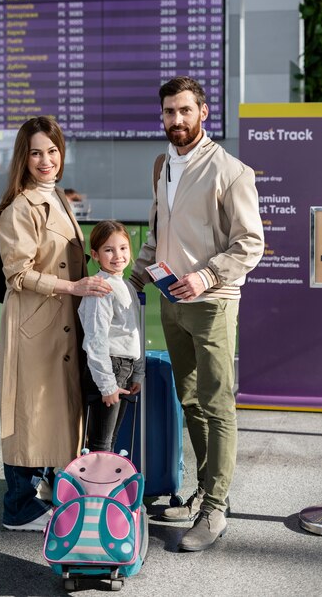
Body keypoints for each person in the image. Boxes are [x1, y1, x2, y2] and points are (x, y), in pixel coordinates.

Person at [129, 76, 264, 551]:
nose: (177, 120)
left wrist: (207, 277)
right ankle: (205, 489)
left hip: (212, 304)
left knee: (217, 404)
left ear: (203, 113)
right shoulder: (163, 164)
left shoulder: (231, 171)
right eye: (169, 112)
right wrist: (135, 278)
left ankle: (216, 508)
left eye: (186, 110)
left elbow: (250, 243)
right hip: (172, 302)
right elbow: (158, 233)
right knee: (189, 401)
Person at [0, 116, 112, 531]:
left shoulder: (58, 196)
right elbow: (18, 274)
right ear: (23, 159)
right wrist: (73, 286)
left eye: (53, 150)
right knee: (29, 414)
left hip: (58, 321)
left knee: (52, 413)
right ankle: (19, 508)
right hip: (34, 326)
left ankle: (43, 493)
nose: (46, 160)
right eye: (36, 153)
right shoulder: (19, 207)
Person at [78, 220, 144, 452]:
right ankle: (95, 488)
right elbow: (95, 339)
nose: (118, 255)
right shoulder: (101, 287)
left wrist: (137, 371)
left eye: (123, 248)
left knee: (110, 440)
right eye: (109, 249)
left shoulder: (125, 285)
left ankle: (103, 486)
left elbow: (133, 332)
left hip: (123, 368)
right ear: (95, 255)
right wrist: (106, 385)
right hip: (108, 369)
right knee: (101, 443)